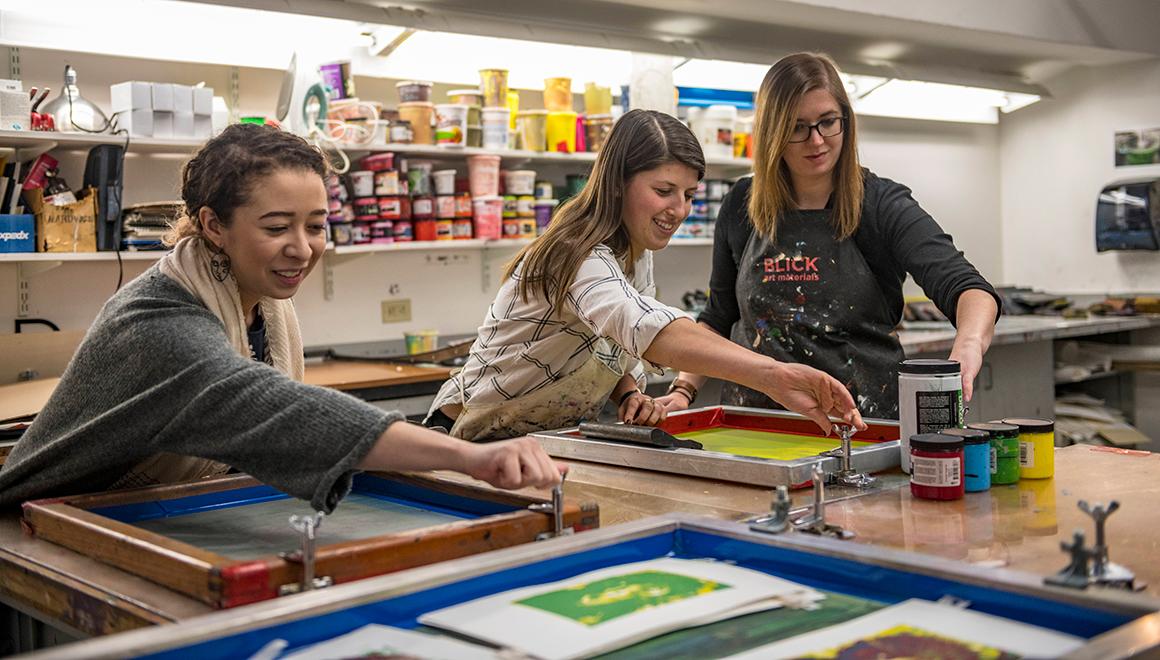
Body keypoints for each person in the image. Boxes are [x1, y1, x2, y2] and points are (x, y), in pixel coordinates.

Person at [0, 124, 563, 511]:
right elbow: (276, 408)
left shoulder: (260, 307)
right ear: (214, 226)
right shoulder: (159, 322)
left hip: (147, 513)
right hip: (38, 530)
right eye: (276, 228)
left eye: (315, 226)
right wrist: (469, 458)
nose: (302, 248)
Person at [426, 109, 865, 441]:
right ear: (618, 182)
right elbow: (647, 329)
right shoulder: (573, 253)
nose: (678, 210)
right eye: (663, 191)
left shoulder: (635, 254)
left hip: (540, 445)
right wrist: (772, 374)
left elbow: (610, 338)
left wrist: (628, 393)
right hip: (468, 440)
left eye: (689, 195)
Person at [657, 53, 1000, 419]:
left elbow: (966, 286)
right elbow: (719, 316)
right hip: (756, 423)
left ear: (845, 121)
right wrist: (683, 389)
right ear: (773, 132)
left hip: (862, 423)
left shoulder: (881, 203)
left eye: (827, 122)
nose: (816, 140)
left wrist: (968, 343)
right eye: (797, 127)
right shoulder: (742, 204)